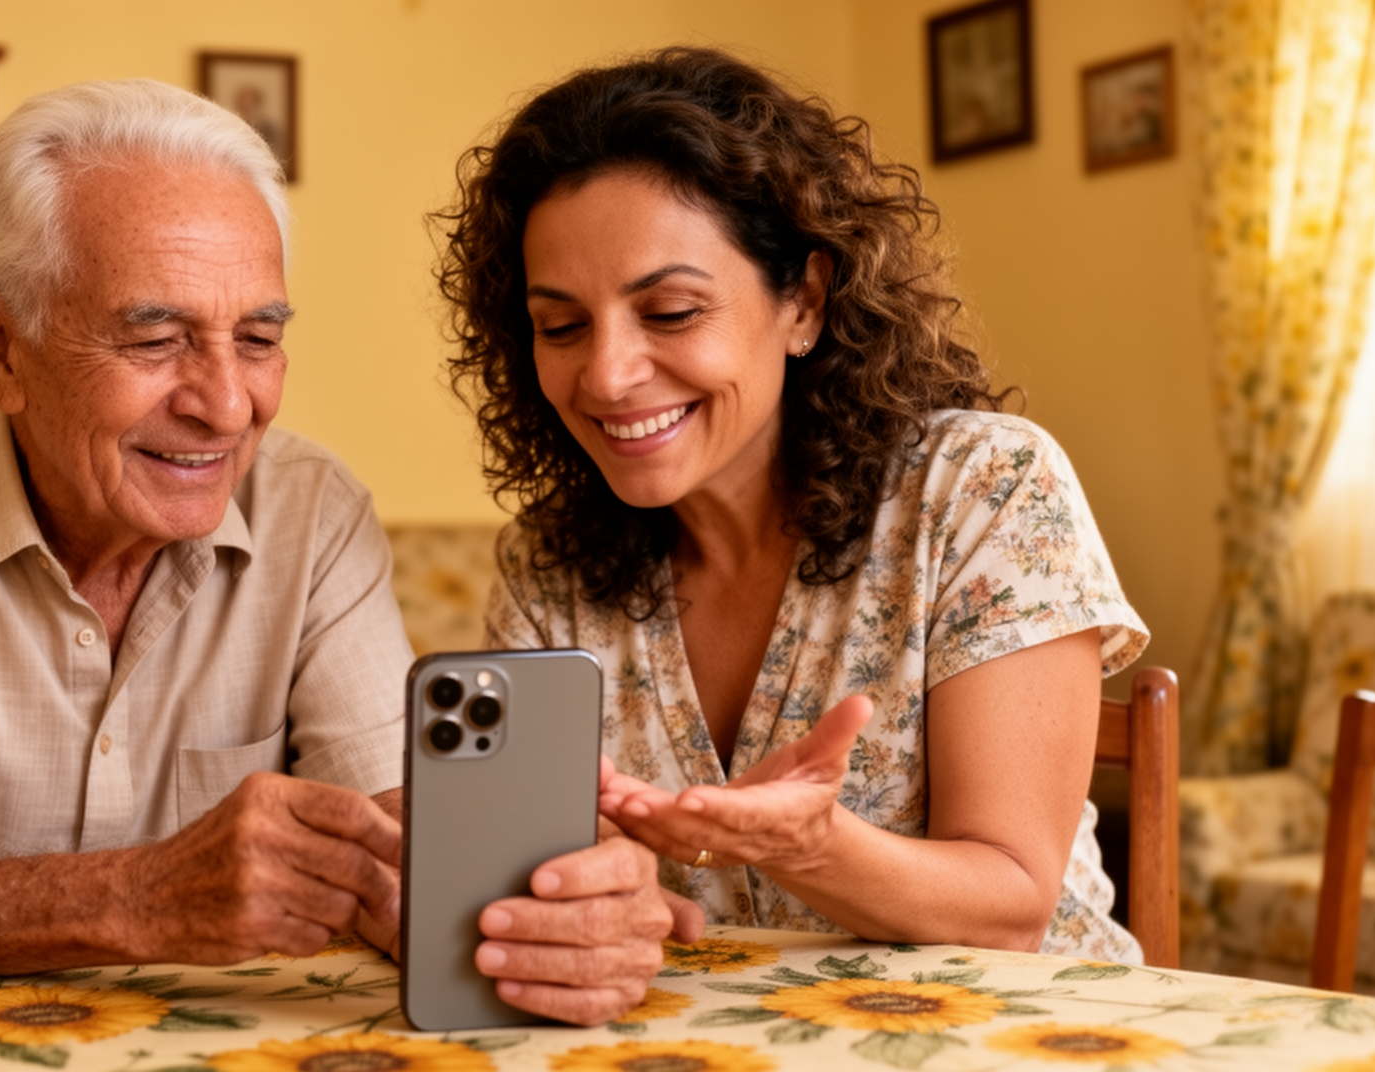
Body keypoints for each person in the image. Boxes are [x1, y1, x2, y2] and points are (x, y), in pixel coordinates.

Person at [0, 78, 679, 1024]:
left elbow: (401, 846)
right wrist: (138, 896)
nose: (223, 404)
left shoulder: (313, 510)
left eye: (257, 337)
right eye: (158, 338)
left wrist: (554, 903)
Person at [436, 47, 1150, 961]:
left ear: (804, 300)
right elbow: (536, 878)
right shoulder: (548, 567)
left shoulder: (982, 489)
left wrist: (806, 846)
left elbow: (1010, 904)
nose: (607, 375)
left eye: (671, 312)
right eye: (561, 326)